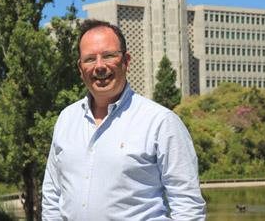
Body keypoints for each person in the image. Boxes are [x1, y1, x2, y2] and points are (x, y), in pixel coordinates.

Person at [42, 19, 206, 220]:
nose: (99, 66)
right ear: (80, 67)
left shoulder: (160, 122)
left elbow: (187, 205)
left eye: (109, 56)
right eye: (90, 59)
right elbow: (52, 195)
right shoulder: (66, 119)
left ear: (126, 61)